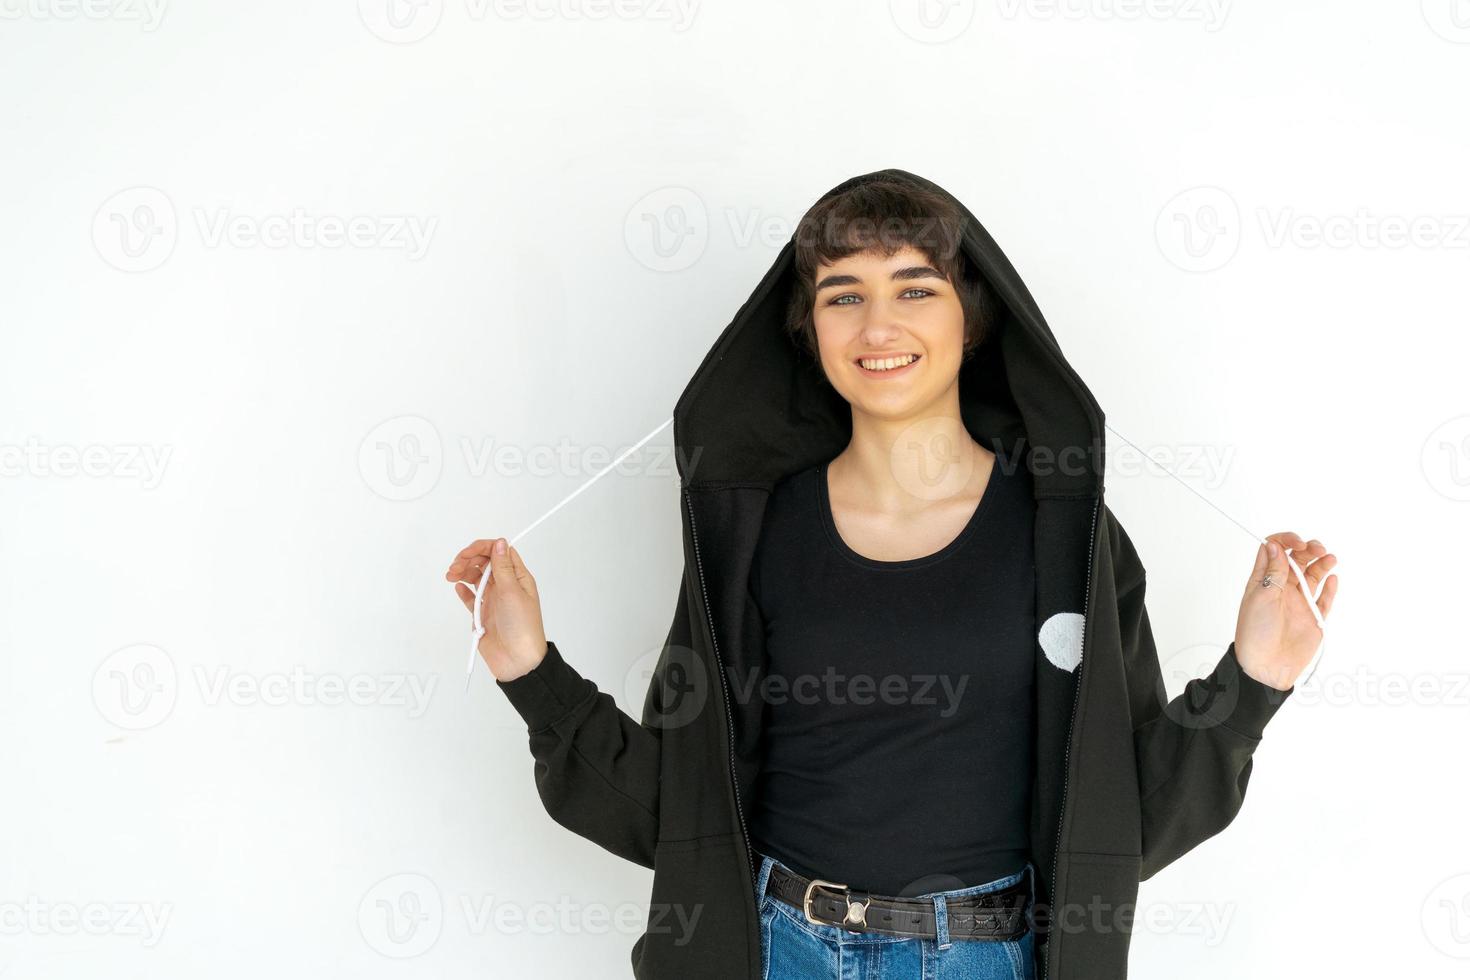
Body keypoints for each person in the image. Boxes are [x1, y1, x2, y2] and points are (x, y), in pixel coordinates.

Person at [444, 169, 1337, 980]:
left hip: (987, 961)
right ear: (809, 329)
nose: (879, 326)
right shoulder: (755, 533)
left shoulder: (1063, 536)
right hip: (776, 952)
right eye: (844, 295)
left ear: (970, 317)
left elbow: (1118, 820)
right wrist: (532, 673)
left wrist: (1253, 681)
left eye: (915, 287)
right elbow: (680, 816)